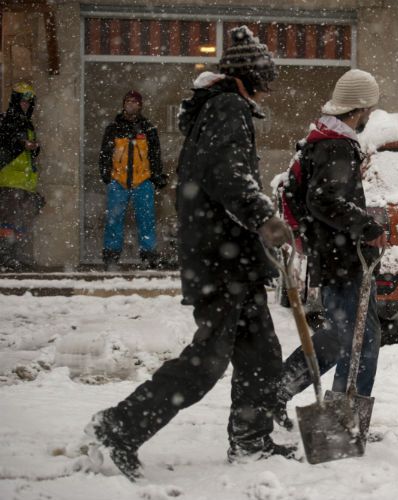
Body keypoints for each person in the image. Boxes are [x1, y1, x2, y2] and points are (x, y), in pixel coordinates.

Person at [84, 26, 295, 481]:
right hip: (220, 261)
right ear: (250, 76)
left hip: (235, 261)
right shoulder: (228, 108)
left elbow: (224, 176)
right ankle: (118, 427)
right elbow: (228, 176)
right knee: (207, 362)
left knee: (261, 354)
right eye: (266, 76)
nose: (269, 86)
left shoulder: (222, 108)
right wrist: (264, 217)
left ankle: (251, 440)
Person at [275, 69, 387, 429]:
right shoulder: (336, 145)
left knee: (345, 336)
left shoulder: (323, 139)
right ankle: (340, 424)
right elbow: (324, 200)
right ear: (360, 108)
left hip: (335, 253)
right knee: (359, 340)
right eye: (368, 107)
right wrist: (367, 227)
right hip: (342, 256)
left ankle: (277, 393)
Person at [99, 90, 166, 270]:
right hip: (118, 181)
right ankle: (111, 256)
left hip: (143, 181)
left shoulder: (148, 128)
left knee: (146, 220)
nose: (131, 104)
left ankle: (149, 256)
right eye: (128, 101)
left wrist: (156, 176)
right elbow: (105, 154)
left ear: (140, 105)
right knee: (114, 220)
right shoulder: (113, 128)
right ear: (123, 104)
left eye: (135, 102)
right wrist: (106, 174)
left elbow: (154, 156)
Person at [0, 82, 44, 271]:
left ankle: (14, 256)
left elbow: (29, 152)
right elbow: (6, 144)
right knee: (8, 221)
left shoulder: (27, 123)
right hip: (10, 179)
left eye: (29, 101)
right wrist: (22, 144)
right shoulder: (7, 120)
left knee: (20, 222)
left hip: (25, 181)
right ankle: (5, 256)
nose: (26, 104)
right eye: (23, 100)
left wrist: (34, 147)